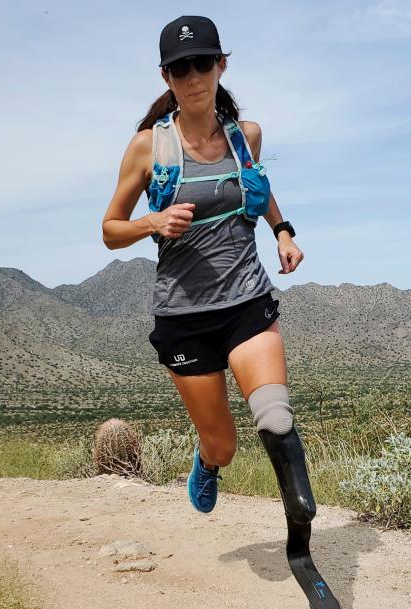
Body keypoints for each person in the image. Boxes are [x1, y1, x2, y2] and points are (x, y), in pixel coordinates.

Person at [101, 15, 313, 522]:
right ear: (166, 77)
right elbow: (110, 230)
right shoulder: (148, 147)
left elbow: (256, 187)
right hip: (185, 317)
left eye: (201, 64)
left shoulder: (248, 137)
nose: (192, 77)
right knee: (224, 445)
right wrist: (153, 221)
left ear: (221, 65)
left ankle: (301, 528)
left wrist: (283, 230)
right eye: (180, 68)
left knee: (276, 415)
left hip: (246, 300)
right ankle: (207, 461)